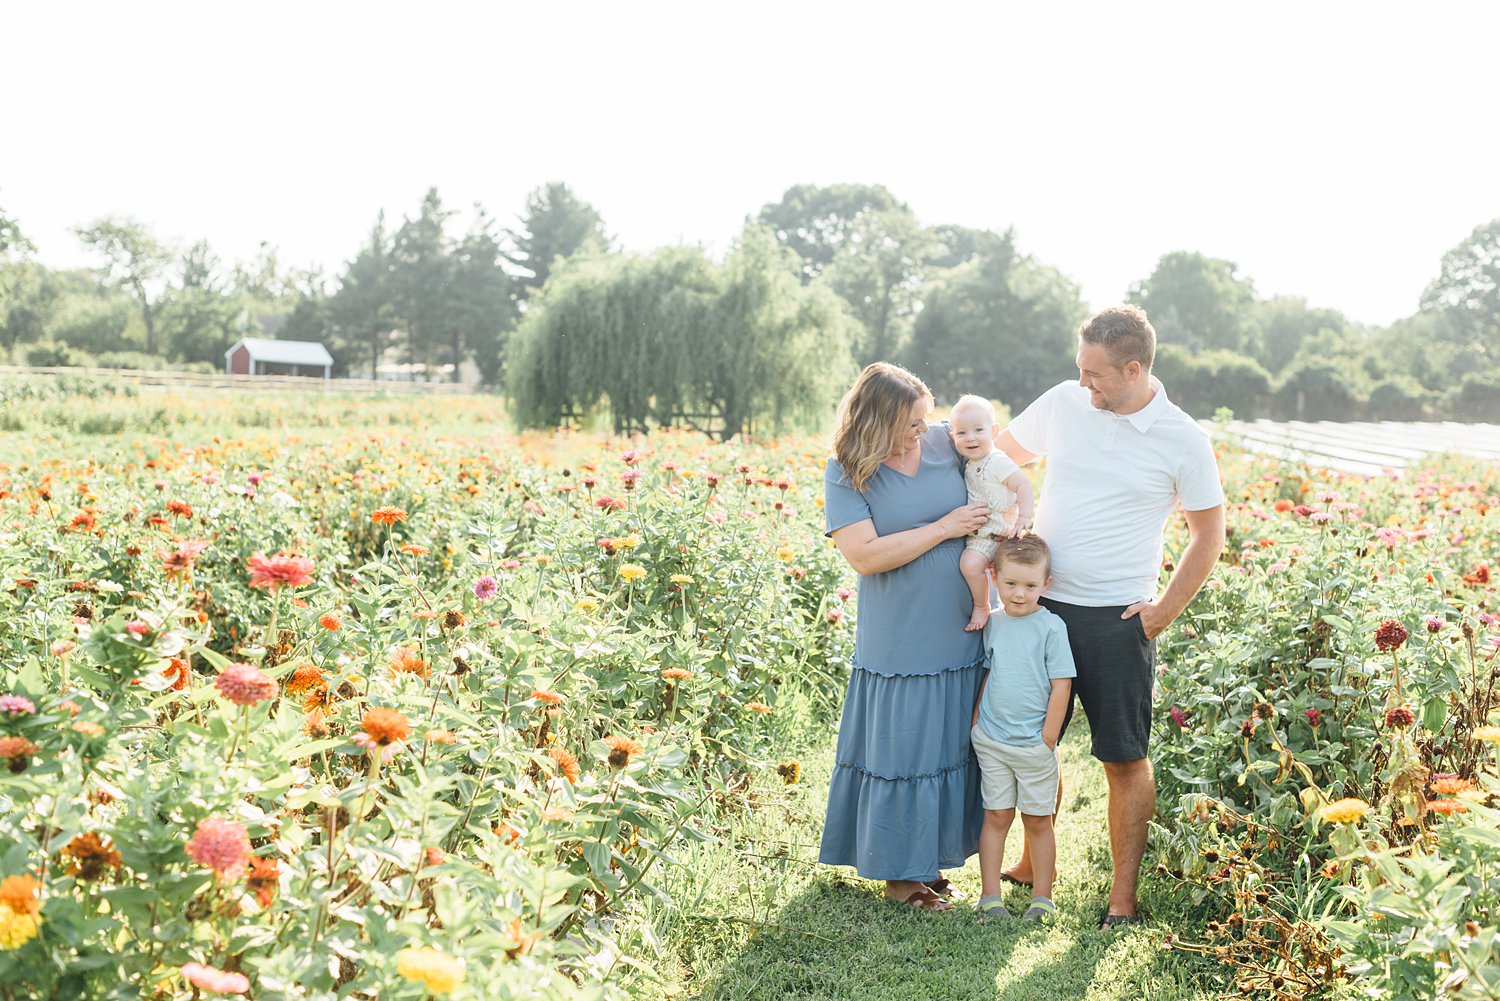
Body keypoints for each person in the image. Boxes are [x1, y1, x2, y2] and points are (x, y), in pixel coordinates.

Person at [997, 305, 1226, 930]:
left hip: (1118, 620)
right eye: (1079, 369)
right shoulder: (1066, 402)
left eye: (1095, 374)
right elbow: (997, 457)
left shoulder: (1183, 439)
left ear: (1133, 368)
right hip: (1040, 608)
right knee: (1030, 740)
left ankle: (1121, 900)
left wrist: (1160, 615)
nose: (1083, 384)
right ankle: (1026, 863)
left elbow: (1209, 536)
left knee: (1123, 758)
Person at [820, 362, 992, 911]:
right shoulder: (848, 471)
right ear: (878, 420)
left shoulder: (946, 441)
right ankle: (899, 876)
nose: (926, 430)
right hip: (900, 638)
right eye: (912, 423)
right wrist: (945, 527)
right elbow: (864, 556)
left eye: (926, 419)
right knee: (904, 750)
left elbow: (1003, 461)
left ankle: (930, 861)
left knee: (947, 747)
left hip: (961, 629)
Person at [970, 535, 1074, 924]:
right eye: (1011, 583)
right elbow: (988, 671)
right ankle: (990, 897)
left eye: (1031, 585)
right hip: (993, 741)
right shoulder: (993, 623)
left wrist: (1048, 738)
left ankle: (1042, 899)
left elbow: (1062, 684)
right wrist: (978, 718)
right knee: (996, 816)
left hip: (1033, 745)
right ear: (994, 577)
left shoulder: (1051, 627)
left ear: (1046, 585)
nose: (1019, 593)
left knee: (1037, 820)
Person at [949, 394, 1035, 631]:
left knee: (970, 565)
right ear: (952, 436)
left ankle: (981, 606)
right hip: (981, 534)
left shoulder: (996, 461)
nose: (971, 437)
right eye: (962, 433)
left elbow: (1023, 485)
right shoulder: (970, 463)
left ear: (995, 432)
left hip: (995, 534)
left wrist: (1024, 519)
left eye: (979, 430)